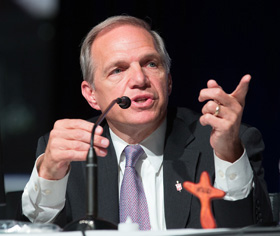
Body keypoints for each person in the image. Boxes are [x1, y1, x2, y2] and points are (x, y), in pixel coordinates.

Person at [18, 15, 273, 230]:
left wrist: (229, 153)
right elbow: (38, 228)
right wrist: (50, 174)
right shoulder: (69, 153)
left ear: (169, 81)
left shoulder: (223, 143)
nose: (139, 79)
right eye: (118, 70)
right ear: (91, 94)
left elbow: (253, 228)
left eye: (151, 64)